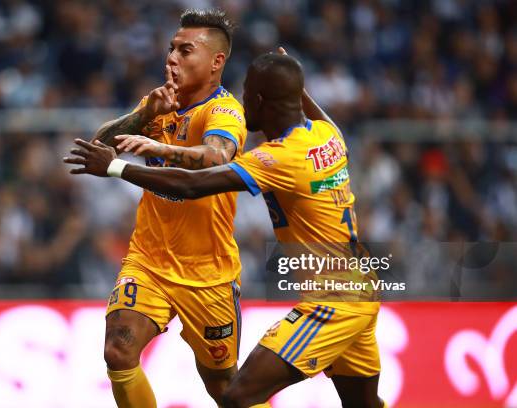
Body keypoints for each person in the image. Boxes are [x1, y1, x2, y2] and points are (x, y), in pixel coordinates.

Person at [65, 51, 387, 407]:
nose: (241, 98)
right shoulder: (326, 135)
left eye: (247, 92)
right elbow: (325, 120)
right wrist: (297, 86)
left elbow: (193, 186)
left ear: (260, 101)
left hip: (333, 300)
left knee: (236, 397)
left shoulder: (278, 157)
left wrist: (117, 168)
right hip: (362, 287)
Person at [75, 8, 255, 408]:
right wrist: (143, 115)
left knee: (226, 390)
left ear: (216, 62)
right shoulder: (159, 104)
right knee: (118, 351)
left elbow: (214, 158)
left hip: (207, 275)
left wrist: (161, 148)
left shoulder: (224, 112)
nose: (172, 58)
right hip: (148, 261)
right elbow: (100, 147)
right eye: (171, 49)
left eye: (185, 51)